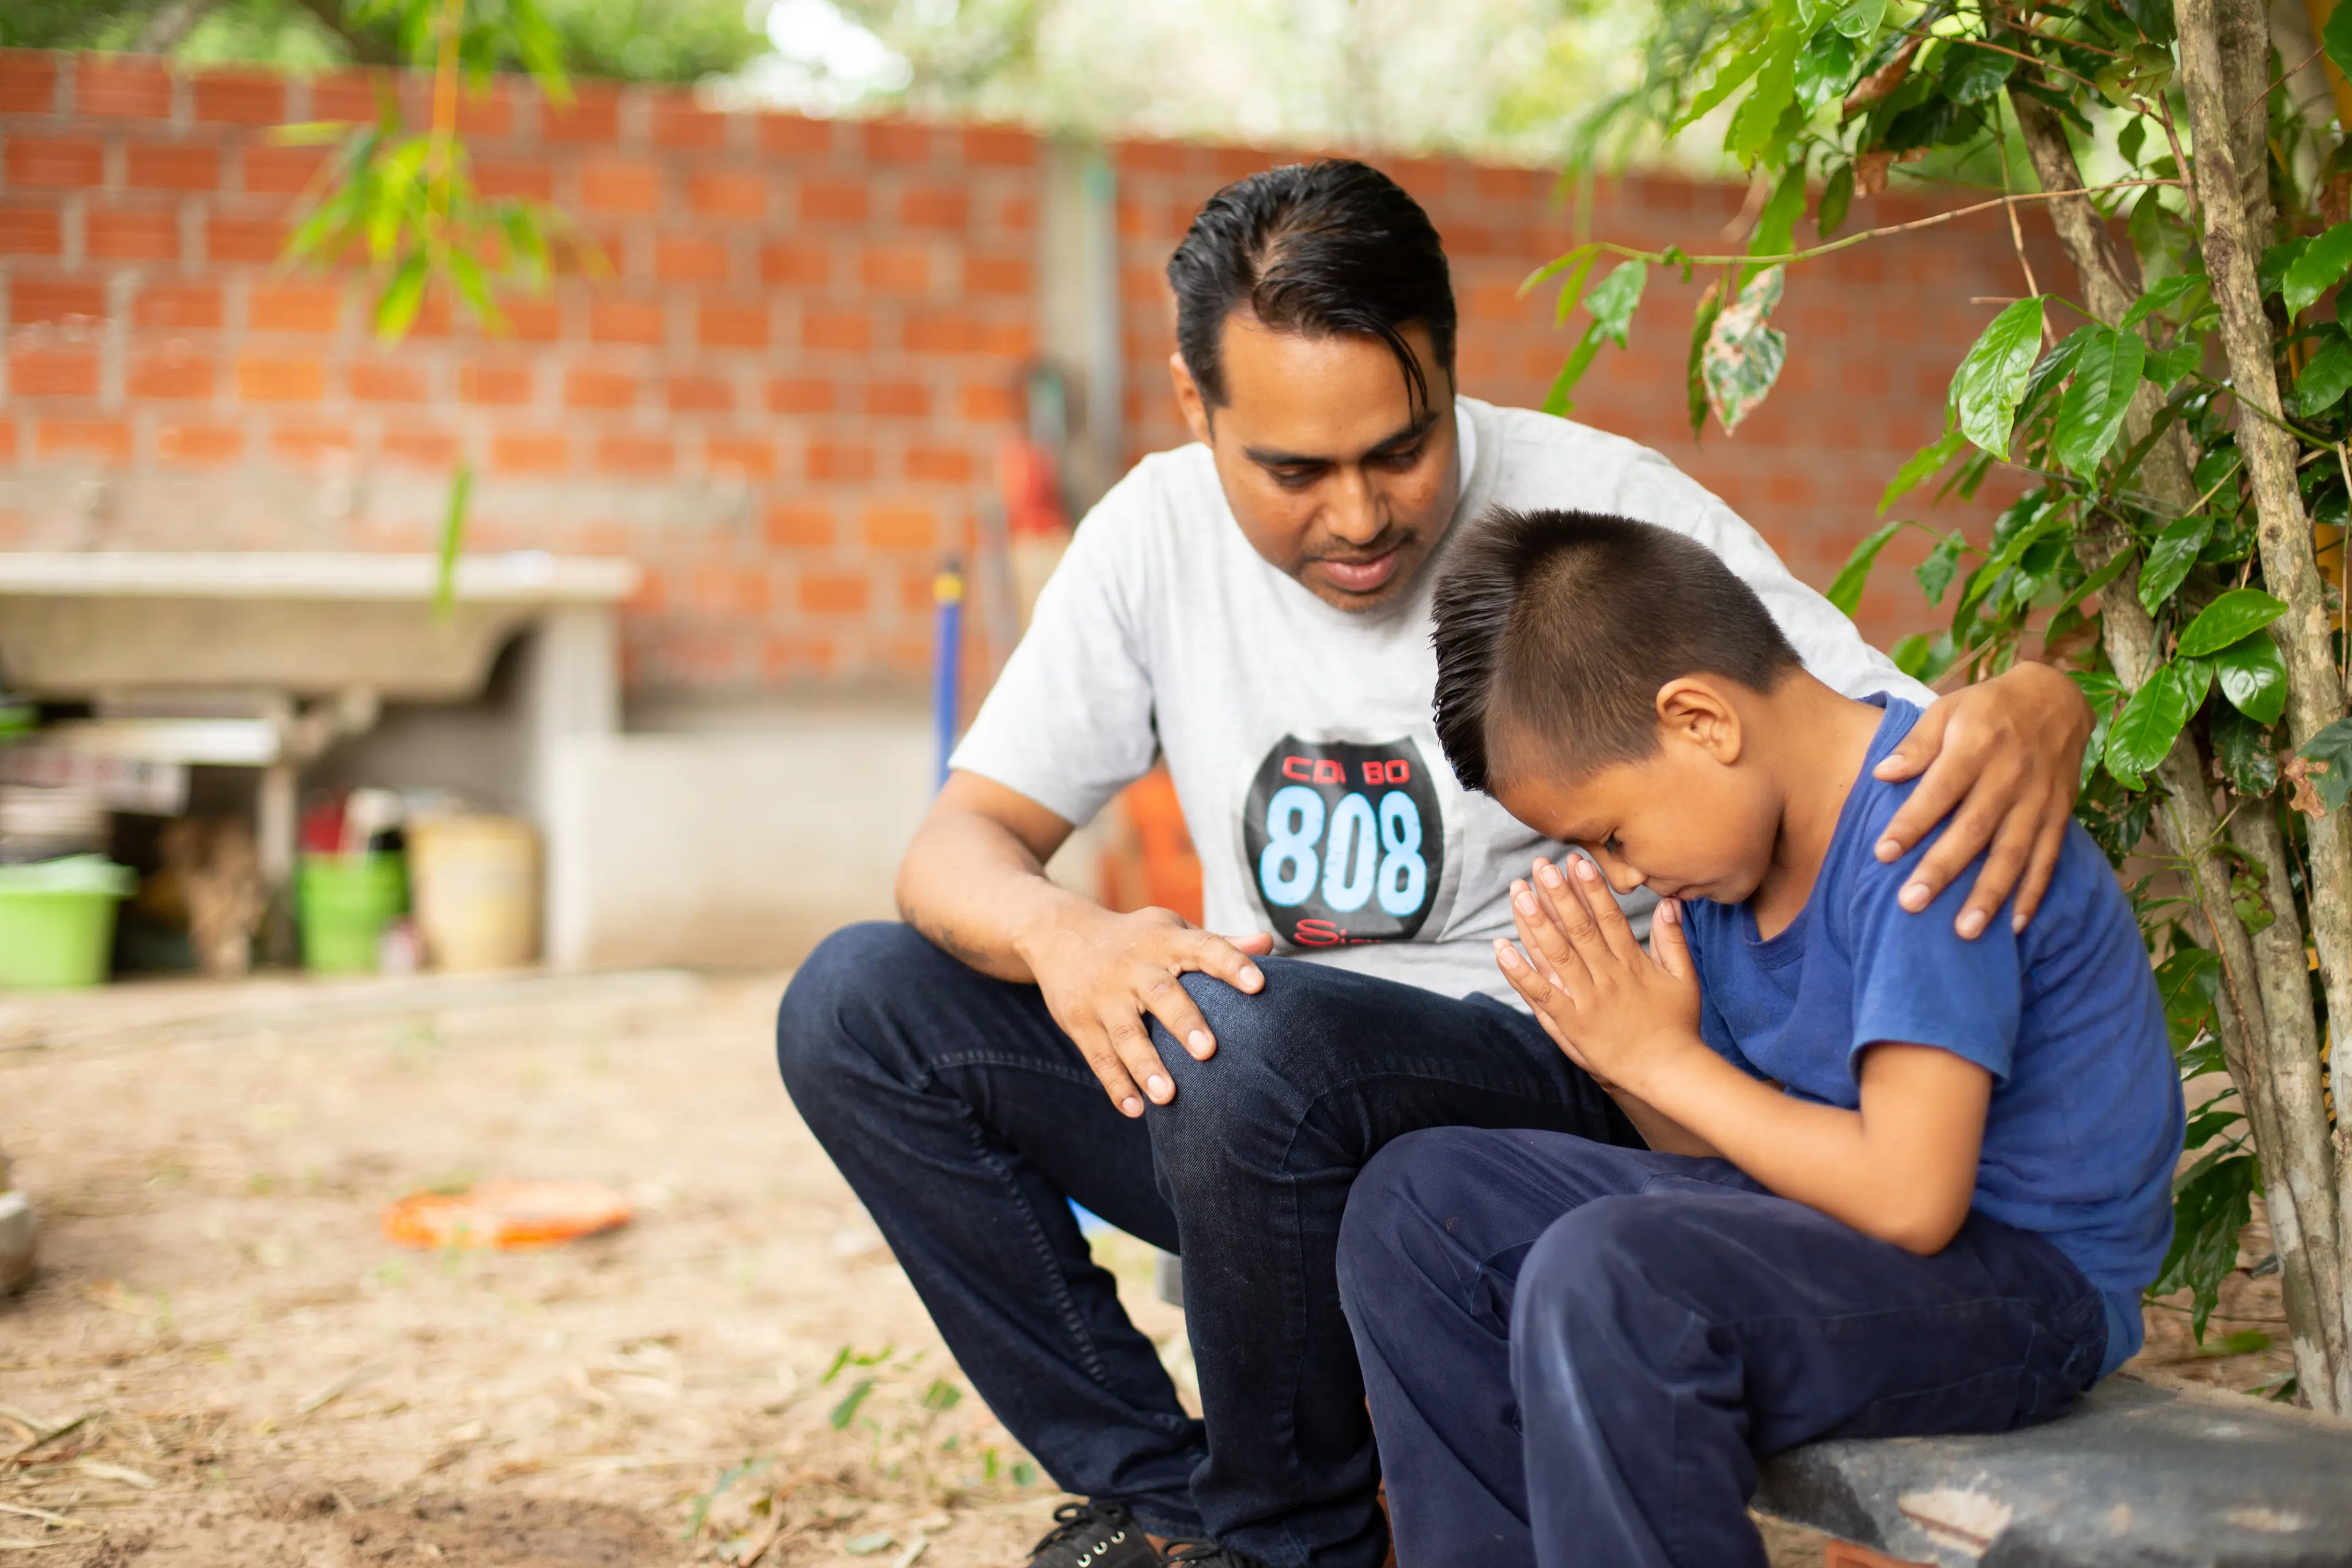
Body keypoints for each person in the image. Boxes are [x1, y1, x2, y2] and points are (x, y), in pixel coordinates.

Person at [775, 159, 2097, 1568]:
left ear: (1451, 370)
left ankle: (1299, 1545)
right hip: (1253, 1130)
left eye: (1399, 451)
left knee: (1254, 1038)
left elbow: (1852, 727)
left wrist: (2041, 699)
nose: (1358, 517)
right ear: (1193, 406)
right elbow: (956, 844)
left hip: (1552, 1096)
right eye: (1294, 470)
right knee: (858, 1003)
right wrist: (1066, 935)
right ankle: (1170, 1511)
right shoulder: (1151, 537)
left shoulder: (1600, 510)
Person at [1337, 508, 2185, 1568]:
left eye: (1610, 834)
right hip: (1845, 1244)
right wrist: (1634, 1055)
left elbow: (1912, 1199)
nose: (1623, 876)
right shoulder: (1733, 878)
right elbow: (1727, 1176)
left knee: (1610, 1281)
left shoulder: (1928, 828)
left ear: (1701, 722)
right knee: (1419, 1206)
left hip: (2026, 1280)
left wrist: (1664, 1061)